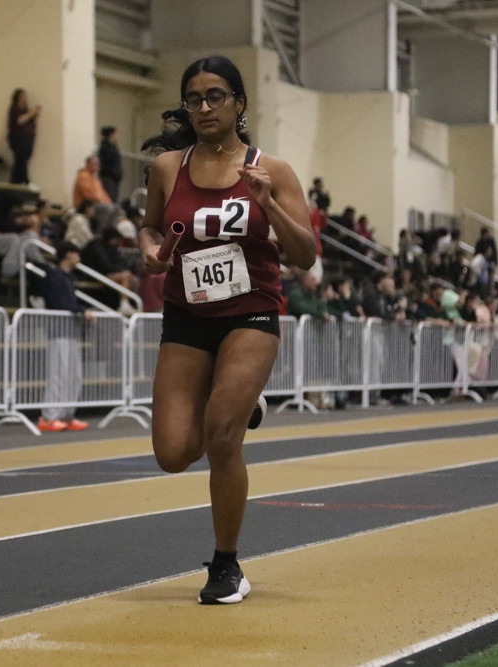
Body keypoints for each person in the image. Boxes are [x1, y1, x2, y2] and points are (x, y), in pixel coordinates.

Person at [138, 55, 316, 605]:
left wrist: (269, 205)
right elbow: (149, 228)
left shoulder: (272, 170)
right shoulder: (167, 167)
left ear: (239, 103)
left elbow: (305, 254)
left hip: (250, 312)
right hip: (187, 316)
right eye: (194, 99)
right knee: (172, 453)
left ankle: (226, 564)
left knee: (221, 435)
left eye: (216, 96)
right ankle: (237, 400)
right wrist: (149, 251)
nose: (205, 107)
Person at [38, 242, 91, 432]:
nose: (79, 258)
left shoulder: (68, 278)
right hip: (58, 332)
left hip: (70, 332)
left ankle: (67, 414)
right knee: (58, 374)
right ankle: (49, 416)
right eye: (77, 254)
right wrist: (80, 310)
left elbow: (70, 302)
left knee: (73, 374)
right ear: (68, 254)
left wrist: (80, 309)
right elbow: (60, 303)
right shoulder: (54, 276)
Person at [7, 89, 40, 184]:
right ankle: (25, 180)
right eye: (22, 97)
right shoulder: (15, 109)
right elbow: (20, 121)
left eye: (25, 97)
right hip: (19, 139)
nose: (24, 99)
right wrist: (31, 114)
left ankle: (15, 181)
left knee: (21, 163)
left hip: (28, 139)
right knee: (21, 161)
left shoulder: (25, 110)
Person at [98, 126, 123, 203]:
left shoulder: (113, 146)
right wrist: (114, 172)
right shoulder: (104, 147)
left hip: (115, 177)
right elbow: (104, 163)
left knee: (114, 197)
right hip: (108, 177)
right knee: (109, 197)